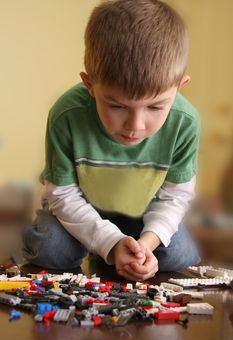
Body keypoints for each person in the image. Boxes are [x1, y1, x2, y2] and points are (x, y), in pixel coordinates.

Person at [22, 0, 201, 281]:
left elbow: (176, 196)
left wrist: (147, 244)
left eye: (155, 107)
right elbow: (62, 195)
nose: (135, 126)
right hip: (80, 207)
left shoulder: (185, 121)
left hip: (143, 212)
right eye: (117, 106)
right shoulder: (66, 115)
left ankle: (121, 250)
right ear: (90, 86)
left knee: (181, 255)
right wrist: (110, 241)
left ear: (179, 87)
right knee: (52, 250)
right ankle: (105, 247)